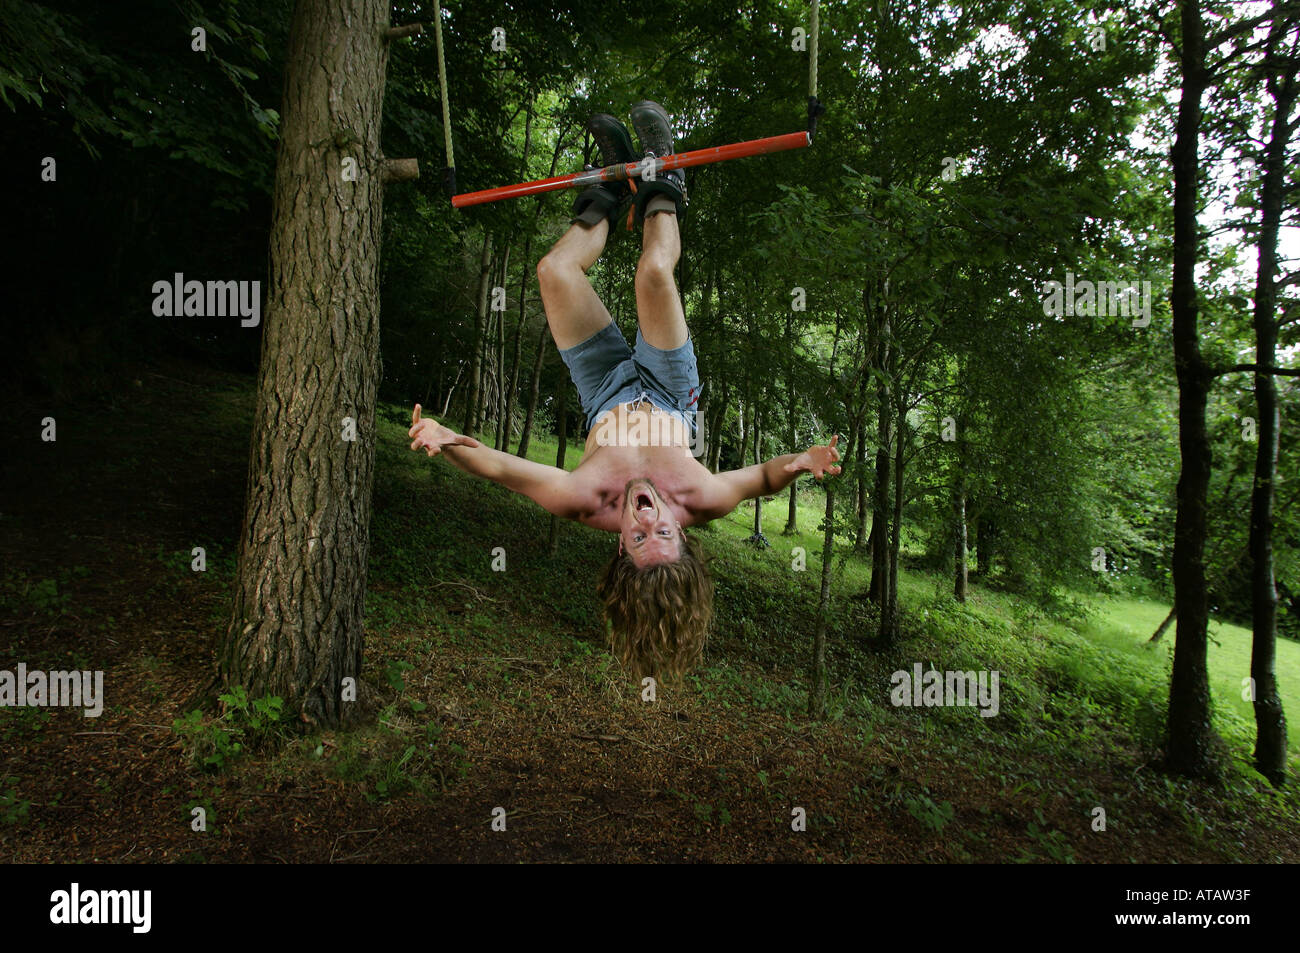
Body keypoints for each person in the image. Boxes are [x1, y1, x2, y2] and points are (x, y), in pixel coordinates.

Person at [409, 101, 840, 680]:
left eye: (640, 538)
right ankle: (663, 181)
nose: (647, 518)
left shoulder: (582, 500)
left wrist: (443, 437)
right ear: (681, 535)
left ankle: (605, 194)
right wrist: (801, 461)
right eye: (663, 532)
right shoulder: (700, 499)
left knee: (553, 273)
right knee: (654, 275)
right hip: (669, 390)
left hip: (602, 389)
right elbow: (761, 480)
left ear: (620, 548)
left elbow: (500, 470)